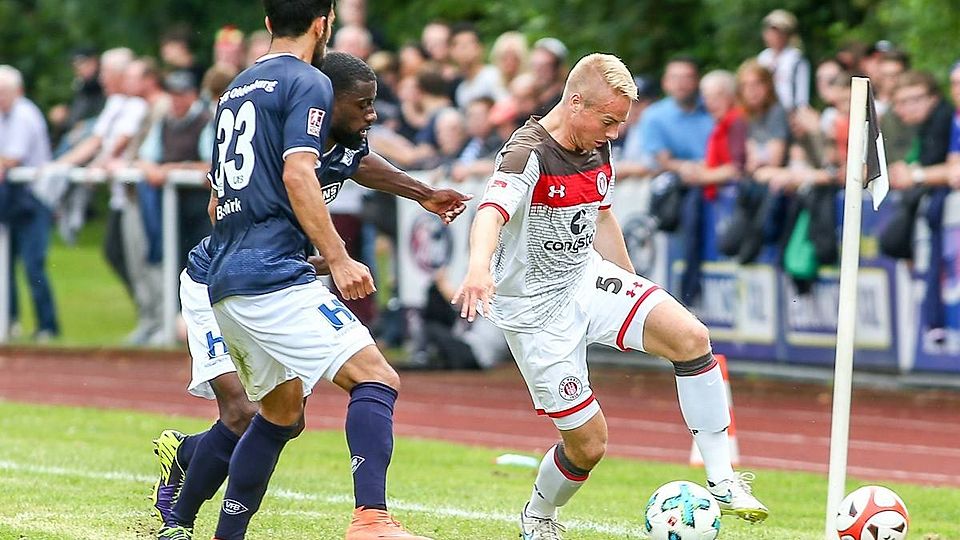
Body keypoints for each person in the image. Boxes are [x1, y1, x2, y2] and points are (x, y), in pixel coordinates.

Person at [153, 48, 469, 540]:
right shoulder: (288, 143)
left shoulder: (335, 139)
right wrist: (328, 256)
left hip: (266, 273)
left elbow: (359, 163)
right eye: (362, 104)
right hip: (224, 275)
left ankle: (193, 496)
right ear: (324, 101)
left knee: (281, 415)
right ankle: (367, 520)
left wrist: (422, 193)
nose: (372, 115)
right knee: (253, 410)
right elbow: (222, 208)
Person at [452, 53, 768, 539]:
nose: (615, 133)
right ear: (575, 102)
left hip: (586, 278)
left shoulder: (596, 143)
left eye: (620, 123)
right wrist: (478, 269)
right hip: (536, 315)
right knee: (589, 445)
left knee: (690, 336)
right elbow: (491, 212)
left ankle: (723, 478)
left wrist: (632, 288)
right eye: (608, 121)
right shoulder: (526, 153)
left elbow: (601, 214)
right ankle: (539, 515)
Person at [0, 65, 60, 341]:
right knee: (5, 262)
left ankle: (47, 326)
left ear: (17, 91)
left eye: (4, 92)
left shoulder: (24, 114)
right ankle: (9, 319)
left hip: (34, 198)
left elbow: (12, 159)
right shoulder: (5, 115)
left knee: (33, 264)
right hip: (12, 198)